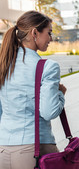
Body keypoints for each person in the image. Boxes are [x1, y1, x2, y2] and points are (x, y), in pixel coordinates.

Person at [0, 11, 66, 169]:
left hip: (3, 148)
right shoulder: (47, 67)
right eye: (49, 33)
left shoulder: (4, 64)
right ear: (35, 32)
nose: (51, 39)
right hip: (34, 149)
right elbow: (49, 112)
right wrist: (60, 94)